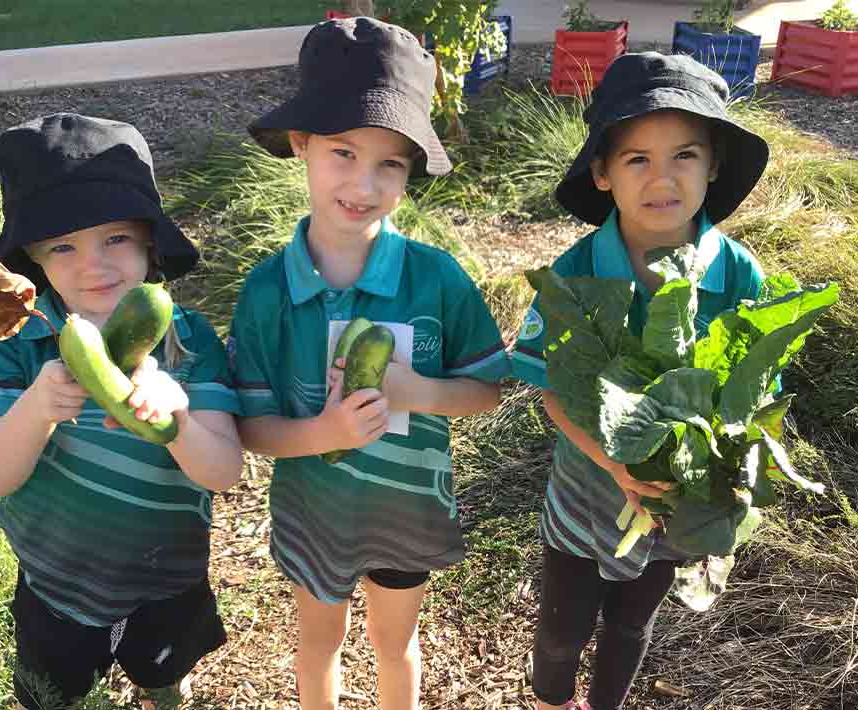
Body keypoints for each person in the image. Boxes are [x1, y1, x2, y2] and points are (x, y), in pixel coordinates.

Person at [231, 17, 508, 710]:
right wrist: (322, 435)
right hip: (313, 509)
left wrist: (414, 389)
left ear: (411, 170)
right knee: (317, 644)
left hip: (405, 510)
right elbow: (251, 425)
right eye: (343, 153)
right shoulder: (268, 290)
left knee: (395, 645)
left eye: (389, 162)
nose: (363, 182)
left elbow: (486, 391)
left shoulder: (436, 278)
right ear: (301, 144)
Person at [0, 113, 244, 710]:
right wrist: (36, 409)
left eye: (114, 237)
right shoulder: (17, 344)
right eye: (64, 245)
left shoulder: (190, 342)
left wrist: (180, 419)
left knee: (163, 665)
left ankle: (163, 687)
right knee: (54, 690)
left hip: (169, 578)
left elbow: (222, 472)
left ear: (148, 243)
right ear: (34, 260)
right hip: (55, 584)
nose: (94, 265)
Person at [510, 52, 771, 710]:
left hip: (672, 505)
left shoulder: (739, 277)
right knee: (561, 630)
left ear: (712, 166)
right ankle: (550, 700)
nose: (663, 179)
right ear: (601, 172)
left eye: (684, 155)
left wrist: (726, 471)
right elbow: (553, 391)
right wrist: (617, 465)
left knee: (631, 622)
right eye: (636, 159)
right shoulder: (572, 275)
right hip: (583, 493)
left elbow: (750, 399)